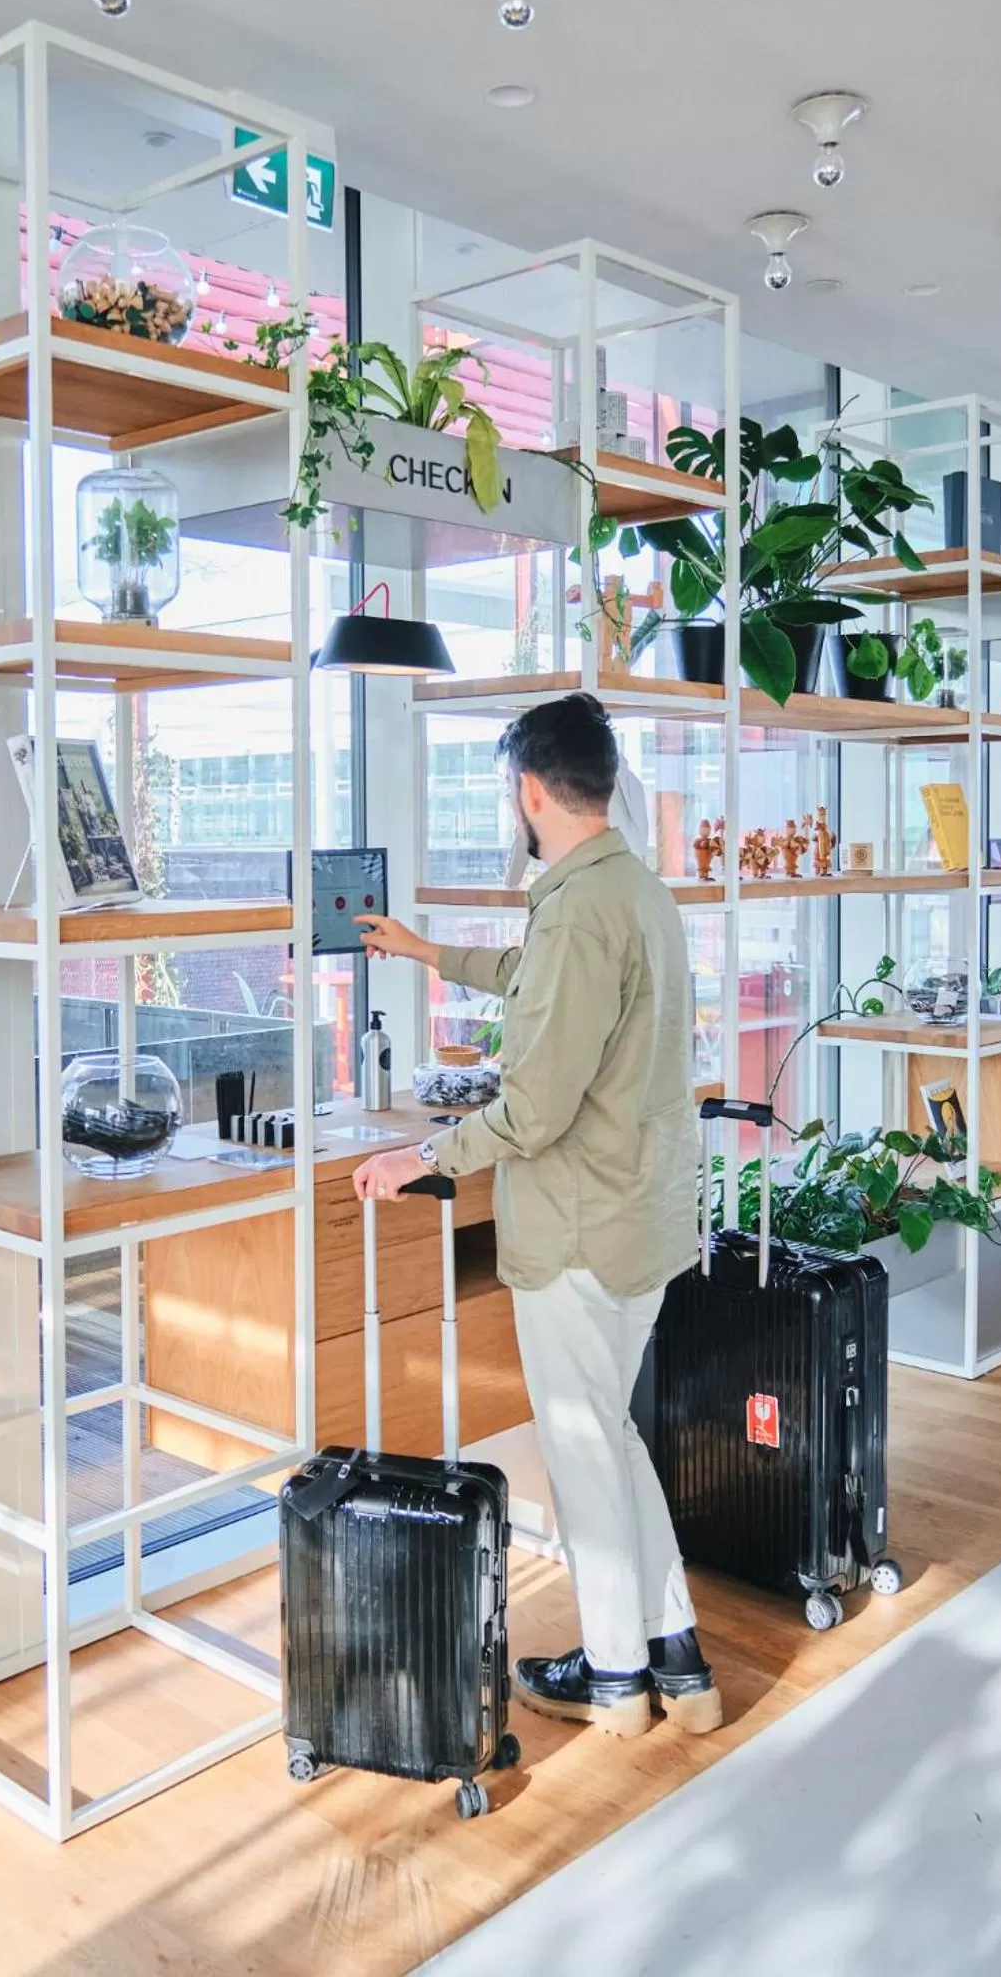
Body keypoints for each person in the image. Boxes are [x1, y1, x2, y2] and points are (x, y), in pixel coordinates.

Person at [352, 692, 721, 1740]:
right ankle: (677, 1659)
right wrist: (430, 954)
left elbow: (534, 1107)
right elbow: (544, 984)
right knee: (611, 1434)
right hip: (643, 1217)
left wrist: (417, 1156)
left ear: (526, 791)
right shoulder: (636, 889)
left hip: (576, 1229)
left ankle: (613, 1677)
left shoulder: (573, 905)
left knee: (581, 1443)